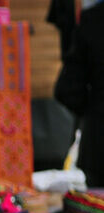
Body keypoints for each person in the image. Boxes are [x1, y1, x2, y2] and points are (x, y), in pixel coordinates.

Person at [55, 1, 104, 187]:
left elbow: (66, 89)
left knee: (98, 212)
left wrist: (93, 112)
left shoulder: (92, 20)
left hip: (99, 144)